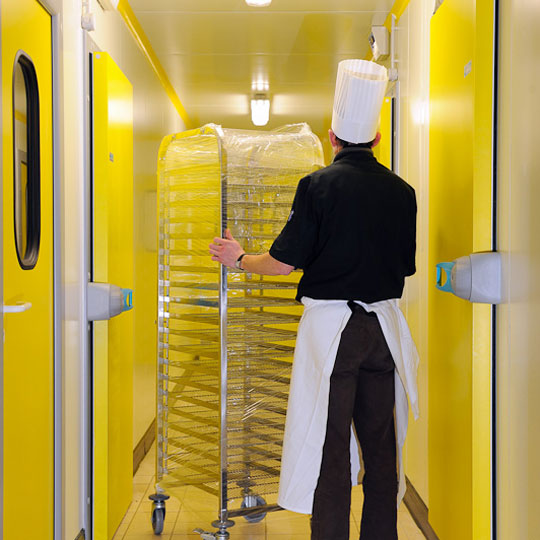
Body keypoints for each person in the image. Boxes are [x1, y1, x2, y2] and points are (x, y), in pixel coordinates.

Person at [209, 59, 419, 540]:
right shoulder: (403, 193)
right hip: (383, 332)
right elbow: (404, 267)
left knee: (331, 446)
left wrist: (239, 259)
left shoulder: (316, 187)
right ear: (377, 139)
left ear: (332, 137)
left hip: (333, 334)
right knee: (380, 447)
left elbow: (283, 264)